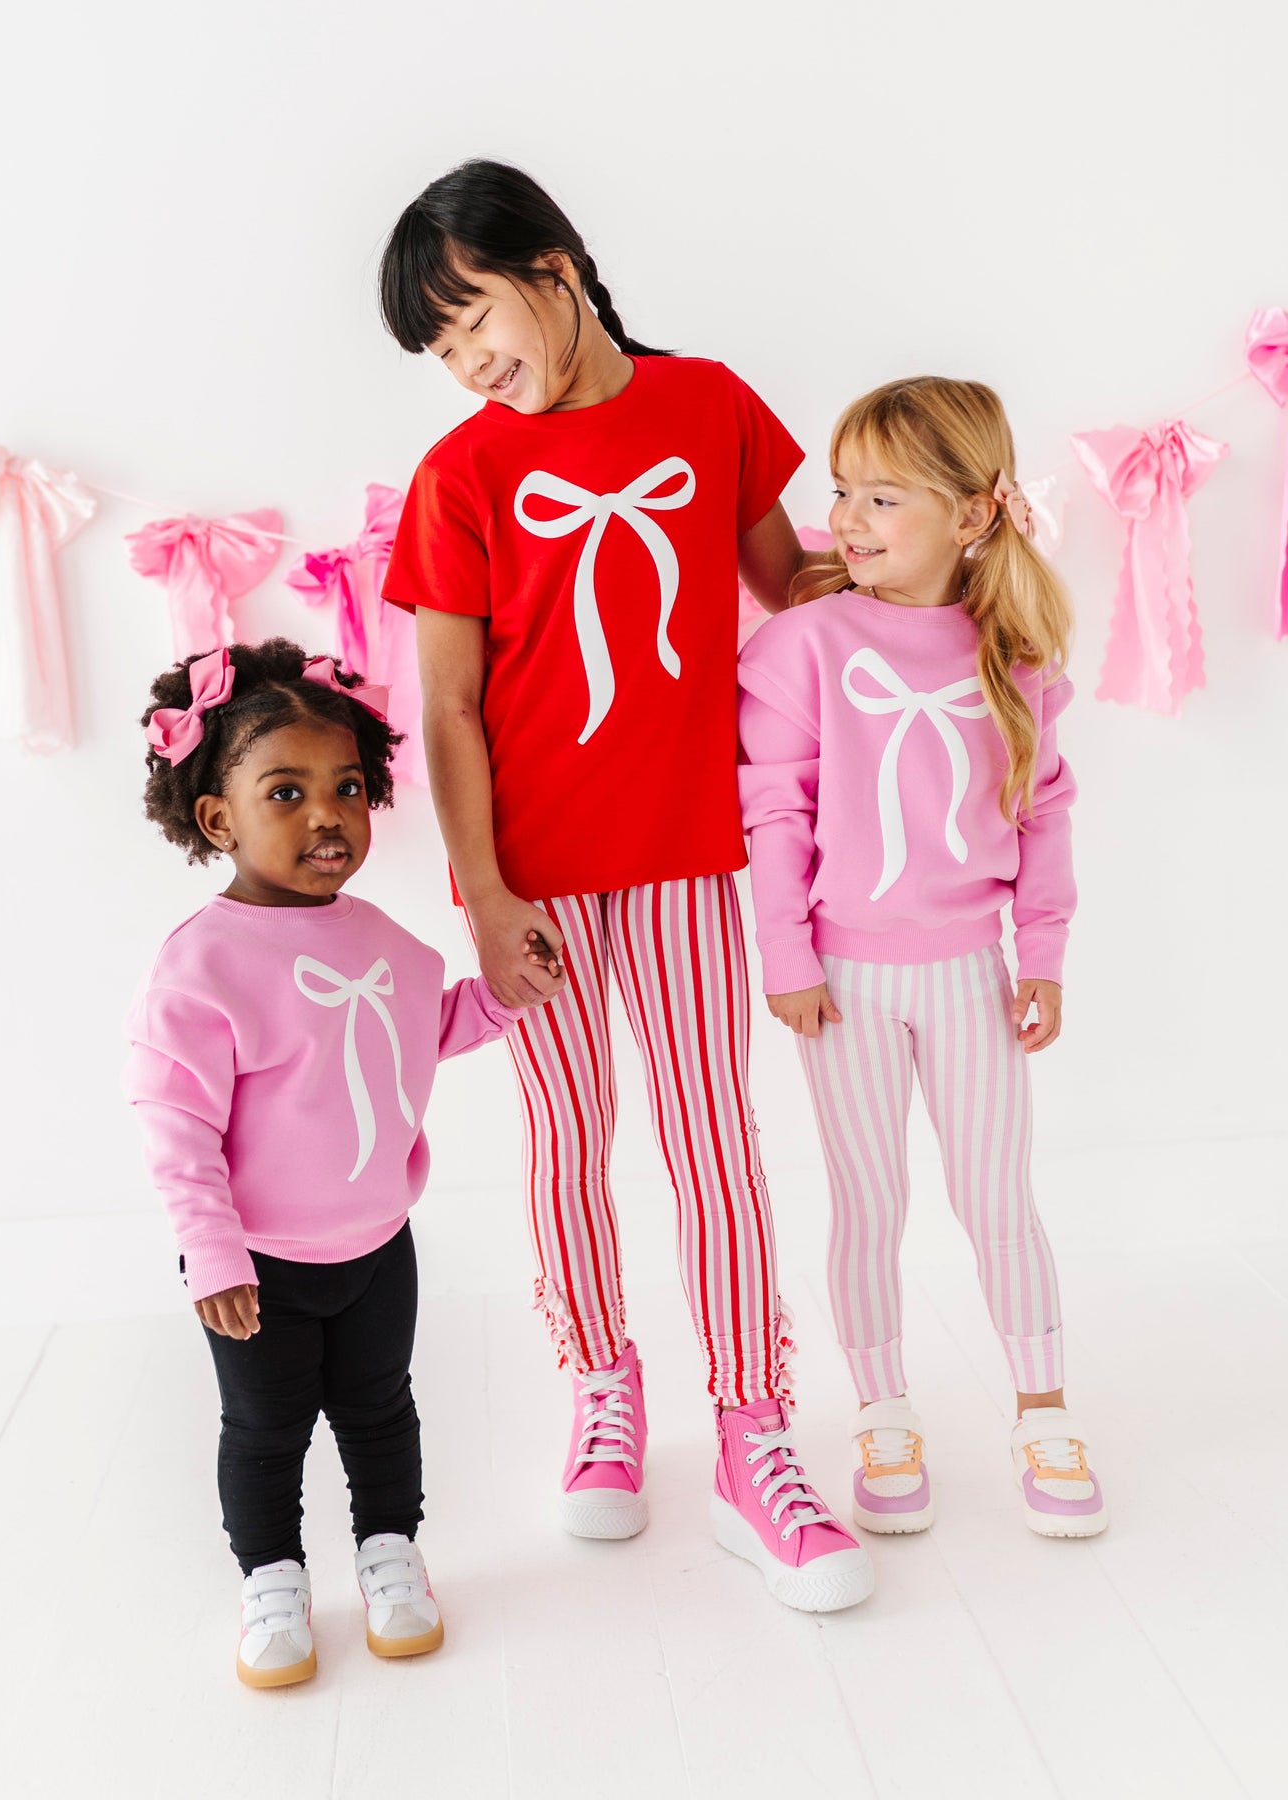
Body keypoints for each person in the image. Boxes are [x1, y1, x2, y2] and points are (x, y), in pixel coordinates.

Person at [378, 158, 873, 1613]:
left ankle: (751, 1432)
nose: (469, 362)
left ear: (554, 267)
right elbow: (448, 708)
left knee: (712, 1138)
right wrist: (483, 896)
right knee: (565, 1142)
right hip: (532, 882)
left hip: (686, 855)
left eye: (473, 317)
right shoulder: (459, 476)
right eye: (440, 348)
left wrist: (922, 549)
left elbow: (791, 588)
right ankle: (601, 1384)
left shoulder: (707, 404)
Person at [737, 377, 1107, 1540]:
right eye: (841, 491)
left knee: (997, 1194)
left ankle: (1042, 1411)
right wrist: (786, 954)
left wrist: (1041, 951)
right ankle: (882, 1410)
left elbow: (1043, 810)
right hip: (843, 985)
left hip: (967, 976)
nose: (845, 519)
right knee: (869, 1199)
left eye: (881, 497)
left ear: (973, 513)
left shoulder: (1011, 653)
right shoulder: (801, 644)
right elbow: (774, 813)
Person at [124, 637, 523, 1687]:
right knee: (265, 1430)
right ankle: (271, 1577)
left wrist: (502, 997)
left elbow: (420, 1028)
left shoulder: (378, 936)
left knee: (382, 1408)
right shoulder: (202, 965)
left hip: (379, 1246)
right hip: (259, 1266)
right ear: (219, 819)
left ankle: (391, 1552)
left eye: (346, 787)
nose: (326, 815)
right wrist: (213, 1253)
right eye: (286, 793)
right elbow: (174, 1121)